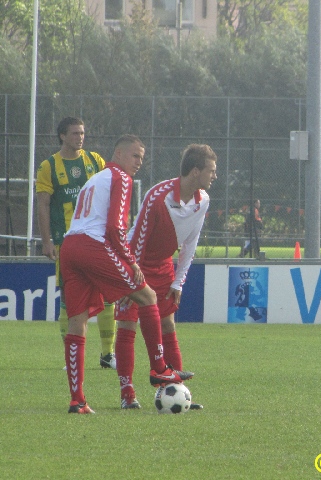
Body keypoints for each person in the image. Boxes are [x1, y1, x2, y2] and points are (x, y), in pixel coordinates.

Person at [59, 134, 193, 414]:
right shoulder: (120, 178)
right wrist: (130, 261)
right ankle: (159, 369)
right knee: (147, 296)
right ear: (118, 154)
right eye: (135, 156)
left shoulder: (96, 178)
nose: (138, 163)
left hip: (70, 246)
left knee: (77, 322)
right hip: (92, 245)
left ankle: (78, 400)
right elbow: (115, 228)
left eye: (142, 158)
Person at [114, 144, 217, 410]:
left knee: (168, 323)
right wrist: (129, 278)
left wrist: (178, 281)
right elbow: (137, 240)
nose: (214, 176)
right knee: (128, 324)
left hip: (163, 266)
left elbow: (190, 244)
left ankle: (178, 392)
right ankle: (127, 395)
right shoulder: (157, 197)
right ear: (195, 171)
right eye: (211, 170)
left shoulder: (203, 200)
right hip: (135, 262)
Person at [36, 117, 117, 370]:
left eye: (82, 133)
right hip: (66, 243)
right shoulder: (49, 166)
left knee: (106, 296)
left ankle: (108, 354)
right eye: (74, 133)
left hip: (97, 240)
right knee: (69, 300)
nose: (80, 137)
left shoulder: (95, 161)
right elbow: (43, 204)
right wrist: (47, 241)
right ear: (62, 136)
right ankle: (69, 357)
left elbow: (110, 196)